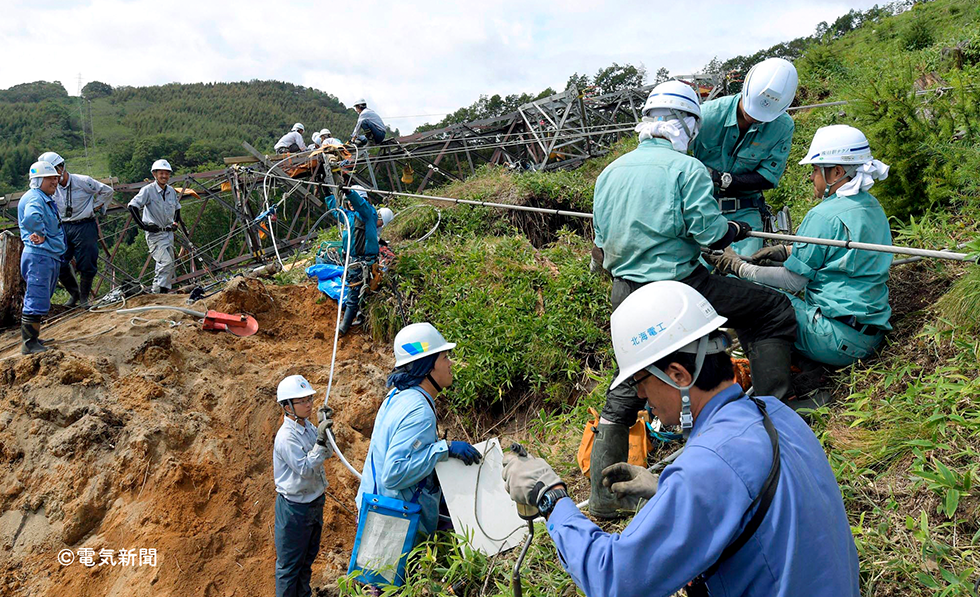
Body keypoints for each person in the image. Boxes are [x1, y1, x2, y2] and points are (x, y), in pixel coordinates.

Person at [501, 281, 861, 597]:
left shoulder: (708, 467)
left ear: (677, 374)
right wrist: (667, 490)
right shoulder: (773, 412)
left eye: (643, 381)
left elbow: (612, 579)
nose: (642, 397)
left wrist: (551, 497)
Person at [589, 79, 797, 519]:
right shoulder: (687, 171)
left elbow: (600, 247)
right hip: (682, 289)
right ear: (688, 126)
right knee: (770, 309)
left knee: (629, 378)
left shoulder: (609, 173)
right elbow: (709, 233)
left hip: (625, 293)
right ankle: (775, 415)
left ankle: (603, 499)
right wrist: (736, 231)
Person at [706, 124, 892, 370]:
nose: (811, 177)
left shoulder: (823, 215)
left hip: (835, 340)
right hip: (869, 336)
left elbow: (793, 281)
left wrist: (739, 268)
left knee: (757, 298)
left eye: (815, 170)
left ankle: (773, 379)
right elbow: (842, 255)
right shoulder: (870, 206)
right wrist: (786, 252)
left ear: (836, 172)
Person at [354, 323, 480, 540]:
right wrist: (444, 450)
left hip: (376, 513)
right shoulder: (418, 410)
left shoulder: (397, 396)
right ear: (428, 366)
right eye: (444, 358)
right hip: (390, 525)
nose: (450, 363)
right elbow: (393, 474)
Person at [692, 57, 798, 256]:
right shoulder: (706, 116)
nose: (755, 118)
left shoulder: (782, 127)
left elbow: (768, 177)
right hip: (700, 207)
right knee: (694, 273)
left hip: (746, 210)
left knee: (745, 270)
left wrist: (724, 180)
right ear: (745, 88)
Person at [273, 374, 335, 597]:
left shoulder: (308, 427)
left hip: (314, 503)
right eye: (303, 401)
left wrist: (326, 434)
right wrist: (319, 441)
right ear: (287, 406)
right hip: (295, 509)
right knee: (289, 568)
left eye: (309, 399)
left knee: (306, 561)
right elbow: (306, 469)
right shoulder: (286, 437)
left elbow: (327, 453)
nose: (309, 404)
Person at [38, 151, 113, 307]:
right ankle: (75, 294)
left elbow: (107, 191)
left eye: (55, 172)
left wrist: (96, 206)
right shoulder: (51, 187)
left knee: (87, 262)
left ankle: (85, 298)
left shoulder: (83, 181)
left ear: (62, 167)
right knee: (59, 261)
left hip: (84, 224)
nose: (54, 178)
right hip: (63, 226)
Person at [17, 161, 67, 354]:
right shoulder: (36, 199)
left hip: (46, 255)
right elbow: (31, 218)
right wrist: (40, 232)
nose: (55, 181)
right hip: (39, 256)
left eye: (56, 177)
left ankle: (34, 337)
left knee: (41, 296)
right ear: (38, 180)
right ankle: (29, 344)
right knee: (36, 297)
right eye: (51, 178)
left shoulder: (41, 196)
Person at [324, 185, 380, 335]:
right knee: (354, 290)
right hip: (353, 261)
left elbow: (360, 205)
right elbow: (337, 212)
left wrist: (349, 193)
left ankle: (344, 326)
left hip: (365, 261)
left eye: (352, 201)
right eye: (348, 202)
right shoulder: (349, 216)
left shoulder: (368, 214)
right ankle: (360, 314)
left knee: (354, 293)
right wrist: (326, 193)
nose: (350, 203)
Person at [127, 159, 189, 294]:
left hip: (168, 232)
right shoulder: (148, 191)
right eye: (161, 173)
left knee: (169, 263)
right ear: (154, 174)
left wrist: (175, 222)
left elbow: (177, 208)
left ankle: (162, 291)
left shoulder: (171, 191)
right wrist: (143, 226)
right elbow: (132, 206)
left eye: (166, 174)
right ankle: (158, 292)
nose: (164, 176)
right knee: (165, 262)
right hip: (155, 234)